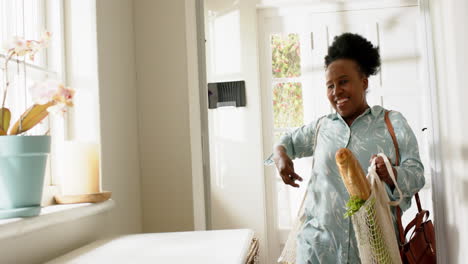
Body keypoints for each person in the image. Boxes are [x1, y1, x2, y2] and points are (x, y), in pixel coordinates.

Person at [268, 33, 425, 263]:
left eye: (343, 81)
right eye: (330, 85)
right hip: (316, 252)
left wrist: (391, 174)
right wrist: (280, 156)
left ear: (364, 82)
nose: (336, 91)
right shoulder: (321, 127)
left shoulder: (392, 123)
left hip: (371, 253)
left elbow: (417, 174)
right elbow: (286, 142)